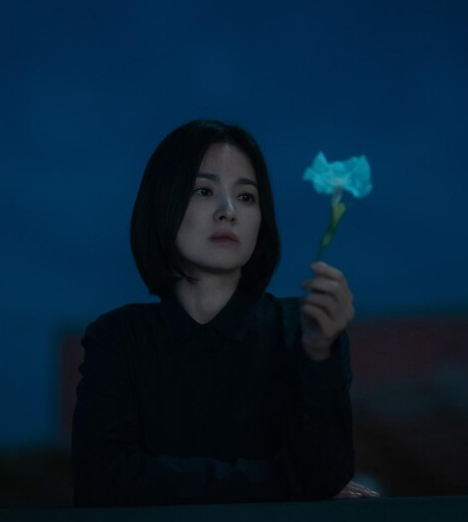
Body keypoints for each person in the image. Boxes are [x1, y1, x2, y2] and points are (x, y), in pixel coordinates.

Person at [72, 120, 378, 506]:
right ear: (163, 203)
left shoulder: (304, 329)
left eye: (246, 197)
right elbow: (101, 481)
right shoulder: (118, 338)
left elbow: (325, 474)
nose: (228, 211)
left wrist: (320, 354)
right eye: (204, 191)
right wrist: (284, 484)